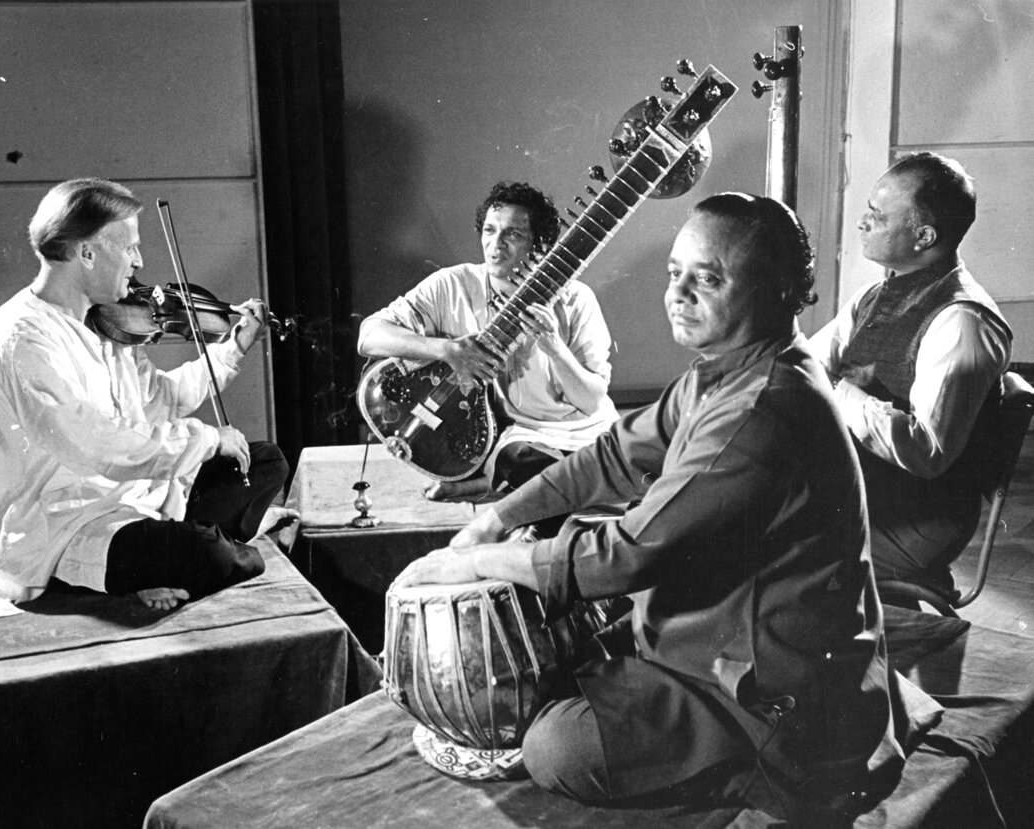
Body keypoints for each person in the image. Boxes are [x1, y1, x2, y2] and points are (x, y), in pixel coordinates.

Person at [395, 193, 938, 818]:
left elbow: (624, 557)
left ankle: (745, 768)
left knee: (555, 746)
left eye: (707, 279)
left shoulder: (763, 408)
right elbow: (614, 457)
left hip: (770, 692)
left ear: (776, 289)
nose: (678, 294)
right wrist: (497, 516)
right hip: (733, 636)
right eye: (674, 273)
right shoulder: (726, 369)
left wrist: (479, 563)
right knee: (572, 649)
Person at [0, 178, 288, 611]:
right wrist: (208, 439)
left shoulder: (105, 323)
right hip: (60, 523)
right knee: (207, 553)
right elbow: (95, 444)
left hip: (130, 499)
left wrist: (233, 348)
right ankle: (188, 554)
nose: (139, 261)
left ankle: (173, 554)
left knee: (265, 461)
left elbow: (162, 399)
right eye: (130, 247)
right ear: (88, 252)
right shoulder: (21, 337)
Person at [808, 152, 1012, 599]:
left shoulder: (963, 322)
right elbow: (809, 363)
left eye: (877, 216)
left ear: (924, 236)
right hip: (868, 492)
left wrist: (841, 391)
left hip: (915, 524)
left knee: (743, 526)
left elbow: (927, 451)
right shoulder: (874, 293)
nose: (862, 223)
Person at [358, 180, 619, 501]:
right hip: (516, 439)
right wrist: (449, 350)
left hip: (581, 432)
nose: (496, 244)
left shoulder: (576, 299)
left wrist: (554, 346)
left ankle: (485, 484)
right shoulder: (451, 285)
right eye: (490, 230)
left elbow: (591, 402)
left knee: (635, 467)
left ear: (540, 245)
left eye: (513, 234)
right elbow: (369, 335)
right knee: (521, 460)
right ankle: (557, 479)